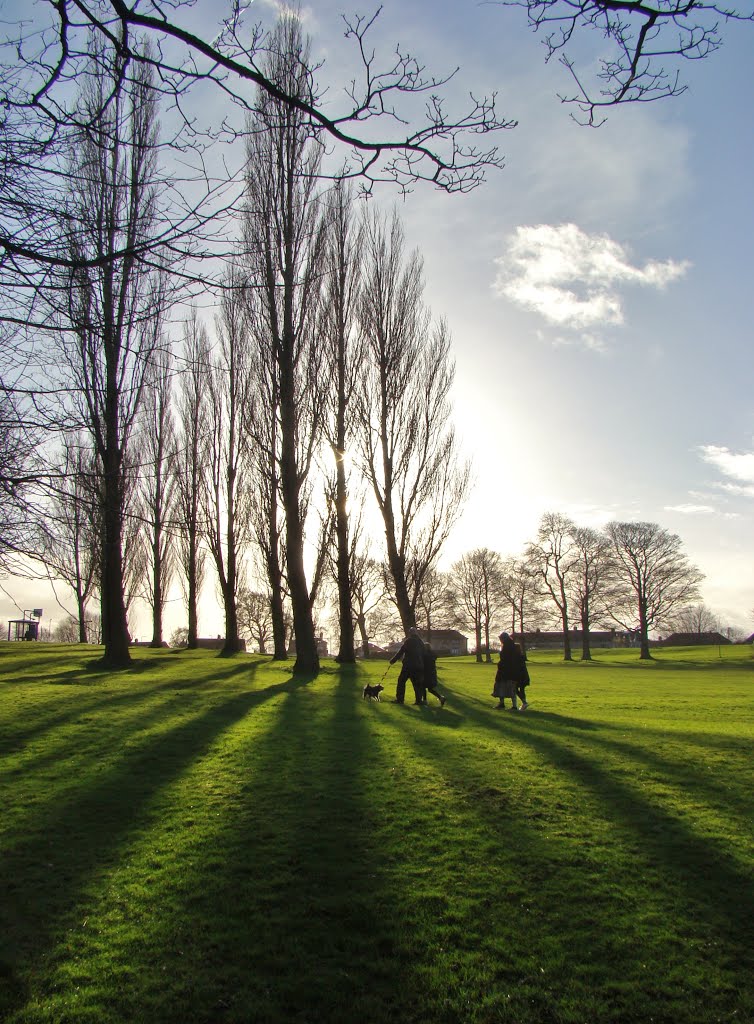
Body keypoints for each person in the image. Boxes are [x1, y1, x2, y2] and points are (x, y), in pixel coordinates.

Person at [389, 627, 426, 704]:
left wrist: (393, 660)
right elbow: (424, 653)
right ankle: (419, 700)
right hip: (418, 666)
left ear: (410, 633)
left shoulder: (408, 641)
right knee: (417, 684)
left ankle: (400, 699)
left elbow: (401, 652)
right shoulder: (420, 642)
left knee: (401, 682)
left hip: (408, 666)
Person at [493, 631, 528, 711]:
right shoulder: (514, 646)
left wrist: (500, 665)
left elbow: (505, 660)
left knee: (505, 686)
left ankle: (511, 705)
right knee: (512, 687)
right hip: (513, 671)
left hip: (507, 671)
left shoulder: (507, 647)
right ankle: (516, 704)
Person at [422, 642, 447, 706]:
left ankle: (424, 700)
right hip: (432, 673)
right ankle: (441, 697)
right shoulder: (432, 654)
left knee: (423, 687)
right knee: (430, 689)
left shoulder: (424, 655)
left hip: (426, 673)